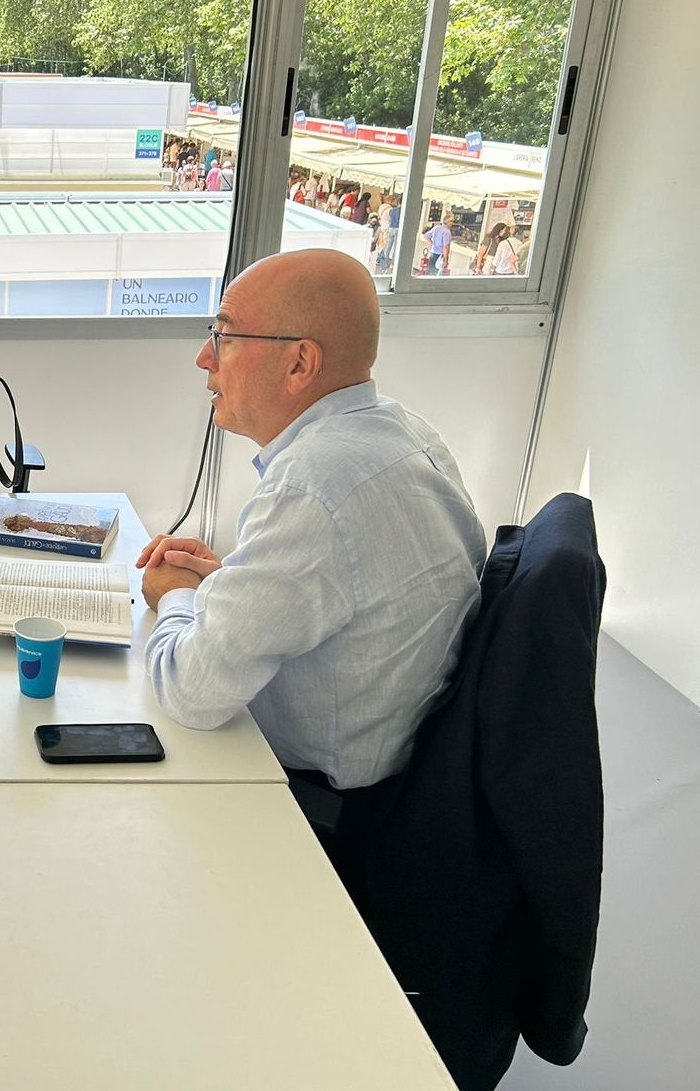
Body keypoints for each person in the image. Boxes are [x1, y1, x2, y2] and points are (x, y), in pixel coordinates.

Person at [137, 249, 484, 796]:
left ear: (300, 363)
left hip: (314, 798)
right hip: (406, 760)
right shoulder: (406, 431)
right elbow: (352, 586)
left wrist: (175, 595)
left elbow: (191, 691)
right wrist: (234, 579)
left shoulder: (312, 486)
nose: (205, 357)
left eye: (225, 337)